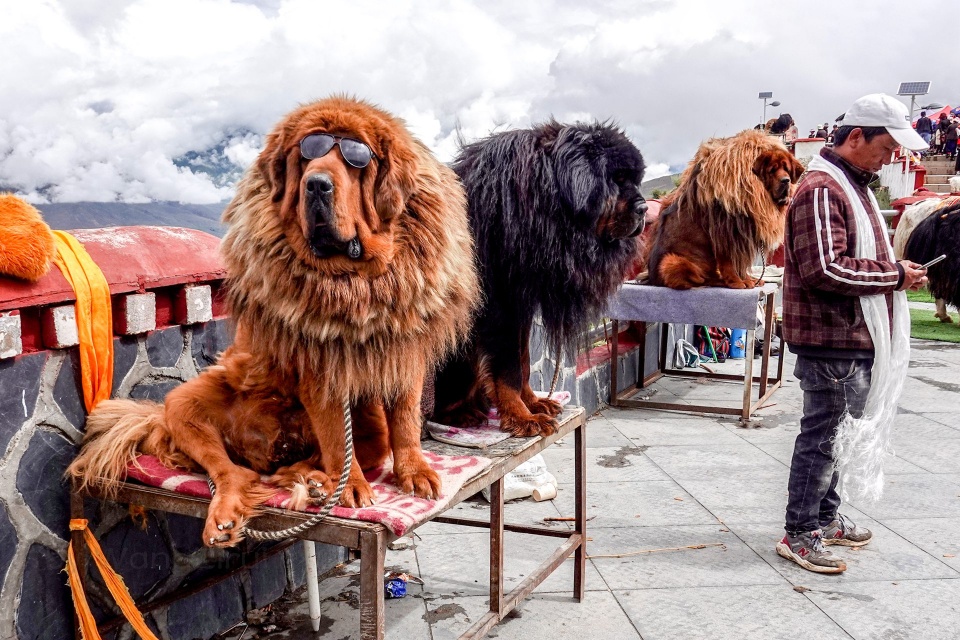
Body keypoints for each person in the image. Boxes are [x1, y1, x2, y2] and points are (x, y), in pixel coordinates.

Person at [778, 93, 929, 574]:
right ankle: (800, 532)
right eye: (886, 148)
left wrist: (893, 271)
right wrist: (894, 275)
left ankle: (824, 517)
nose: (891, 159)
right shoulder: (825, 189)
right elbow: (826, 269)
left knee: (841, 435)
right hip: (831, 339)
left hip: (850, 336)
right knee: (824, 437)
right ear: (857, 136)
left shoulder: (851, 185)